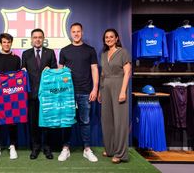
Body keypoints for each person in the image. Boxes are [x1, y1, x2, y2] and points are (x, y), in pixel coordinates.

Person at [58, 22, 99, 162]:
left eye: (78, 31)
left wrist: (95, 88)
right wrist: (63, 79)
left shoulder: (90, 50)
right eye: (74, 31)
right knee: (67, 122)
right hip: (67, 93)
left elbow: (94, 69)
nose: (76, 34)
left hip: (85, 91)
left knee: (85, 121)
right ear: (71, 33)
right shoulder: (64, 50)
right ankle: (65, 148)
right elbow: (60, 72)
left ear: (82, 32)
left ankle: (87, 149)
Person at [22, 28, 57, 160]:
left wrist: (51, 69)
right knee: (33, 123)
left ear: (43, 39)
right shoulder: (26, 54)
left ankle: (47, 148)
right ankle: (35, 147)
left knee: (47, 122)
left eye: (40, 37)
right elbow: (22, 72)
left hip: (47, 95)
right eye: (35, 37)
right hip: (31, 95)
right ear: (31, 39)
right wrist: (22, 70)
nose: (37, 39)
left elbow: (55, 72)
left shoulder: (50, 53)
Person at [98, 28, 131, 163]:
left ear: (117, 38)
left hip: (118, 85)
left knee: (120, 121)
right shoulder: (104, 54)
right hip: (105, 87)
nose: (109, 39)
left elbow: (127, 72)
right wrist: (100, 90)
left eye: (111, 37)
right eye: (106, 37)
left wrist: (123, 91)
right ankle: (110, 149)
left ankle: (120, 153)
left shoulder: (123, 52)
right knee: (107, 120)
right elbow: (103, 74)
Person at [0, 33, 20, 160]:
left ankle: (12, 146)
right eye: (4, 42)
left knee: (13, 121)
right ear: (0, 43)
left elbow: (19, 77)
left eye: (8, 42)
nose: (6, 44)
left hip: (13, 95)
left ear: (11, 43)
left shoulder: (16, 59)